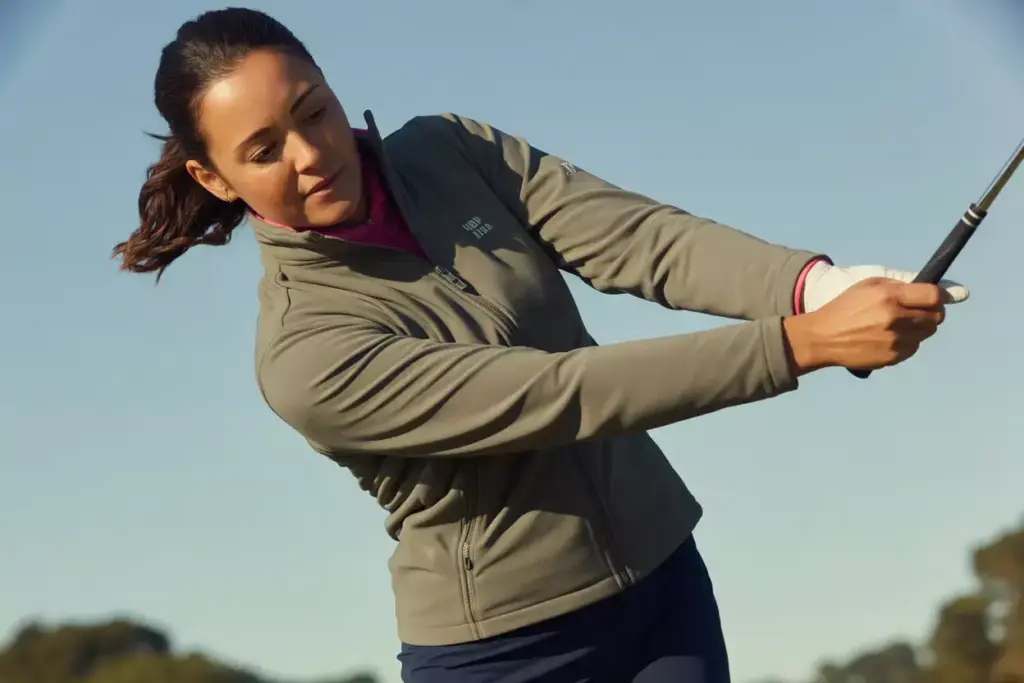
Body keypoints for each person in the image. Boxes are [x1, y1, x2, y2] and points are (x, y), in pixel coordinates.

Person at [112, 8, 968, 683]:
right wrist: (801, 343)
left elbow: (641, 241)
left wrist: (816, 285)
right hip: (507, 653)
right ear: (215, 178)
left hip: (663, 583)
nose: (311, 153)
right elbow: (556, 395)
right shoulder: (303, 354)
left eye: (315, 111)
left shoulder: (450, 149)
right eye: (264, 149)